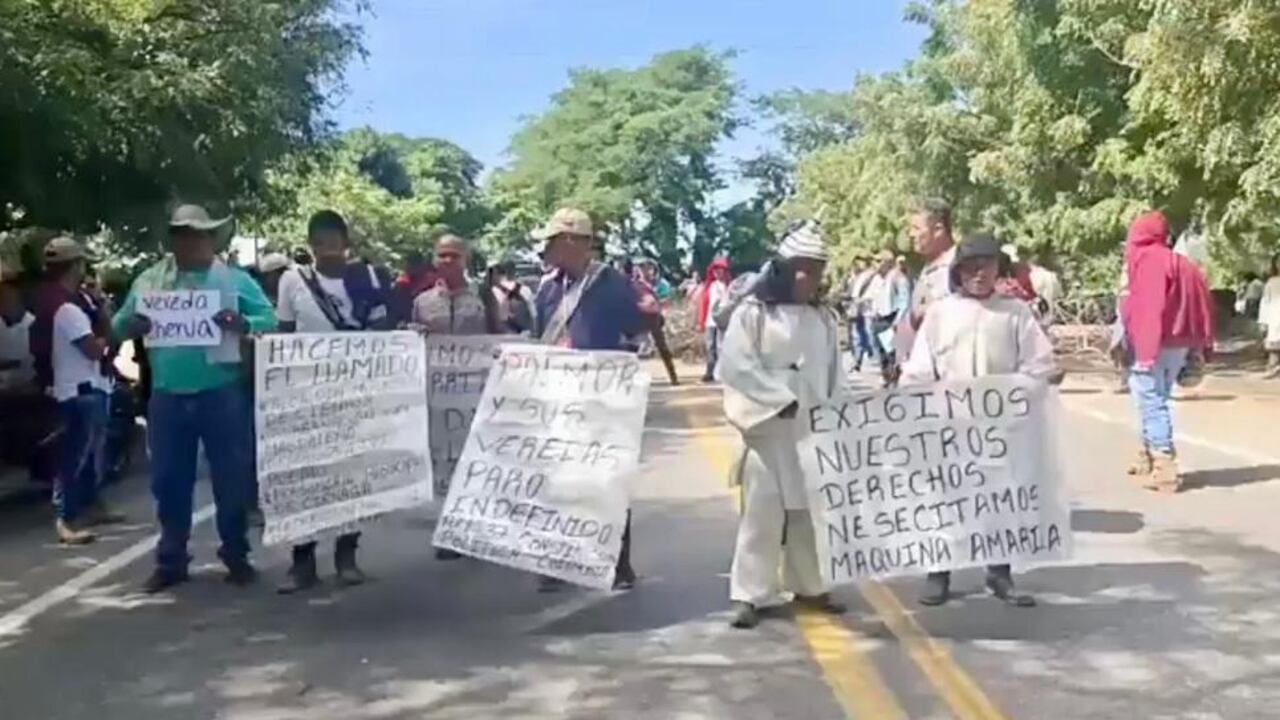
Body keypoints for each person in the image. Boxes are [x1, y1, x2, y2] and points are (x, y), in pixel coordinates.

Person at [112, 204, 277, 593]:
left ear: (210, 239)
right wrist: (131, 325)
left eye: (196, 234)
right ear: (172, 240)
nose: (188, 241)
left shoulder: (235, 281)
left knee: (231, 478)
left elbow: (269, 319)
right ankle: (171, 560)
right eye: (181, 234)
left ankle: (235, 554)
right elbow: (119, 325)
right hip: (167, 396)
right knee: (169, 481)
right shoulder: (150, 281)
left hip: (222, 392)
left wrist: (244, 324)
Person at [901, 233, 1060, 607]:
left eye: (986, 266)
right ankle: (938, 573)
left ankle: (999, 574)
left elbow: (1037, 363)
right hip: (949, 425)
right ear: (958, 273)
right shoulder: (940, 314)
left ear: (998, 270)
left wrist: (1030, 386)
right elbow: (921, 369)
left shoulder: (1016, 313)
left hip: (1000, 426)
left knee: (1000, 501)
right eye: (971, 267)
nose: (979, 274)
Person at [719, 221, 845, 629]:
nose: (809, 276)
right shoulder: (753, 314)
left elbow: (834, 373)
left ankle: (811, 585)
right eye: (801, 267)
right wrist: (778, 400)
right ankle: (749, 593)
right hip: (769, 428)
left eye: (816, 267)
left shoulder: (824, 318)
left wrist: (838, 414)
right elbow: (737, 367)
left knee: (810, 511)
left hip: (811, 427)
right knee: (763, 512)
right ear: (783, 269)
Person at [532, 207, 658, 592]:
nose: (546, 251)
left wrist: (651, 316)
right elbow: (538, 336)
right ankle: (556, 558)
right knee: (556, 480)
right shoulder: (548, 288)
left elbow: (636, 328)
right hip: (557, 396)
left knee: (607, 478)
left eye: (552, 242)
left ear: (571, 242)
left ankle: (617, 561)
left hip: (601, 398)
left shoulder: (610, 283)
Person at [273, 210, 398, 592]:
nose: (327, 249)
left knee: (350, 479)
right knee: (305, 479)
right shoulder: (292, 281)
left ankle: (347, 556)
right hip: (306, 397)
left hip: (355, 395)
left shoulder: (369, 279)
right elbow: (284, 334)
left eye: (334, 241)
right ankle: (302, 561)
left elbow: (382, 330)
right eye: (319, 242)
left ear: (346, 244)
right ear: (310, 245)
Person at [29, 238, 120, 544]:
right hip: (78, 389)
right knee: (73, 458)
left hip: (77, 388)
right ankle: (66, 519)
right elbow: (93, 350)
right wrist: (108, 334)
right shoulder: (67, 308)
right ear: (75, 266)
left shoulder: (59, 301)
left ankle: (85, 508)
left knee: (83, 455)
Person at [1121, 211, 1215, 493]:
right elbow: (1204, 304)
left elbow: (1150, 307)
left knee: (1149, 397)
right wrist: (1202, 344)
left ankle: (1163, 461)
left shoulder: (1149, 261)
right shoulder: (1183, 263)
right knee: (1156, 396)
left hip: (1155, 342)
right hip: (1179, 343)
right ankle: (1149, 453)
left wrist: (1145, 347)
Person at [412, 233, 495, 334]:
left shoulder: (483, 296)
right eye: (442, 255)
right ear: (434, 260)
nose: (448, 260)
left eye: (455, 256)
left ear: (466, 260)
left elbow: (500, 332)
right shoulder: (421, 302)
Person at [698, 258, 732, 382]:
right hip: (710, 321)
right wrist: (701, 321)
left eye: (720, 270)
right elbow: (704, 305)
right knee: (710, 347)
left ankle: (722, 372)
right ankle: (710, 371)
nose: (718, 273)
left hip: (724, 321)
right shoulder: (710, 287)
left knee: (721, 347)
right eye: (716, 270)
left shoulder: (729, 286)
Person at [842, 258, 876, 372]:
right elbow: (852, 292)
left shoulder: (872, 276)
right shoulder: (857, 277)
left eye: (860, 261)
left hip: (868, 310)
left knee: (868, 333)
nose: (858, 264)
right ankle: (857, 360)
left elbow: (873, 293)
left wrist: (861, 300)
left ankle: (873, 357)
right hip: (857, 310)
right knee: (857, 334)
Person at [1260, 255, 1280, 378]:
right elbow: (1265, 302)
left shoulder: (1271, 282)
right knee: (1274, 346)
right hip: (1275, 316)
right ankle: (1273, 367)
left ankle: (1274, 367)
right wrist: (1263, 321)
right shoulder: (1271, 283)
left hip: (1275, 316)